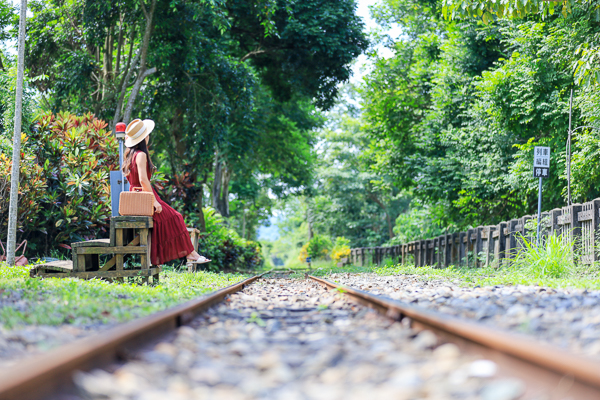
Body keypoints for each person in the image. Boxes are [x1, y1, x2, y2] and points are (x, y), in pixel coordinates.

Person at [122, 118, 210, 266]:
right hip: (146, 197)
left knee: (174, 218)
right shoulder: (141, 155)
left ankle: (190, 253)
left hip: (137, 196)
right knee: (176, 218)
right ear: (144, 137)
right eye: (147, 134)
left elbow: (134, 180)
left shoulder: (130, 154)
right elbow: (143, 180)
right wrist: (154, 201)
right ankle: (191, 254)